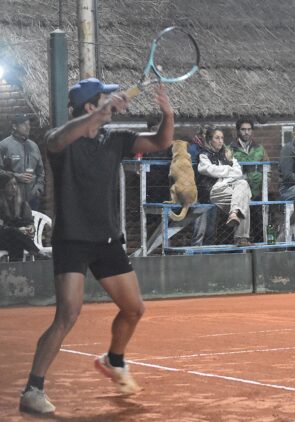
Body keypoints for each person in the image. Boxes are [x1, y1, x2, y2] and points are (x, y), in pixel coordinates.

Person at [19, 78, 174, 415]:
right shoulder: (60, 141)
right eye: (104, 98)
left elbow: (162, 141)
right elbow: (60, 138)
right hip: (72, 239)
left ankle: (114, 360)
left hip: (106, 239)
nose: (113, 101)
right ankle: (33, 389)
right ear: (90, 107)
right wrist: (105, 110)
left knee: (133, 309)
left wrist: (167, 114)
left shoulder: (115, 140)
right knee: (68, 314)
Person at [198, 126, 251, 247]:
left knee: (243, 184)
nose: (221, 141)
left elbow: (239, 172)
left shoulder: (227, 154)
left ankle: (233, 213)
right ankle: (241, 238)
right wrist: (228, 169)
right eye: (217, 138)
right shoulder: (204, 155)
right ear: (210, 140)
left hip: (231, 189)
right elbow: (207, 169)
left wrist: (222, 172)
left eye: (222, 138)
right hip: (214, 191)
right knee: (244, 198)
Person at [230, 118, 269, 241]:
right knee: (240, 222)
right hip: (239, 193)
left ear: (252, 131)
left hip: (257, 192)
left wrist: (265, 184)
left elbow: (267, 169)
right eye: (243, 129)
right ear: (238, 131)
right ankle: (239, 248)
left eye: (249, 129)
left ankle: (260, 250)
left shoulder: (260, 148)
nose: (246, 132)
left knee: (259, 223)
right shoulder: (230, 149)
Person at [0, 114, 45, 210]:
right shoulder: (4, 146)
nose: (28, 127)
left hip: (32, 199)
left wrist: (38, 189)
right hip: (11, 199)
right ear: (14, 126)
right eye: (24, 124)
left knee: (32, 224)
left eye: (29, 124)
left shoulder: (34, 146)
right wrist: (16, 176)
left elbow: (40, 171)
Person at [0, 176, 45, 261]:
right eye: (10, 185)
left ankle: (15, 270)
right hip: (2, 238)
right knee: (13, 232)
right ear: (3, 187)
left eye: (15, 184)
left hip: (15, 239)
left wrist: (30, 228)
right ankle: (36, 252)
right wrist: (18, 230)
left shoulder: (22, 204)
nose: (14, 187)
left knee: (16, 241)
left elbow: (29, 222)